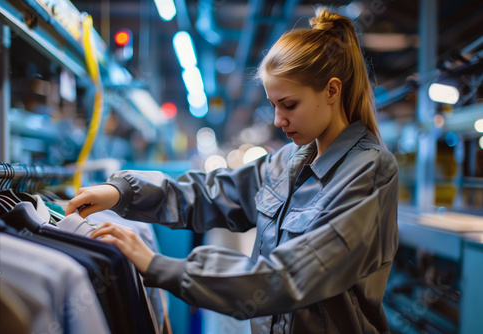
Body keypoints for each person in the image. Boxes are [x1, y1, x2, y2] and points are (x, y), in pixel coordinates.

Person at [66, 6, 399, 334]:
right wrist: (123, 191)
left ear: (332, 91)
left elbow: (288, 278)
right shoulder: (287, 162)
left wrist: (159, 266)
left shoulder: (368, 172)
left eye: (289, 105)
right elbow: (212, 193)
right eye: (273, 105)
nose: (277, 120)